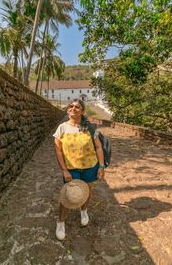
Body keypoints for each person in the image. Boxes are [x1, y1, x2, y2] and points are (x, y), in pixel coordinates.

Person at [53, 98, 105, 240]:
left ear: (82, 111)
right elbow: (58, 150)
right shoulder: (62, 128)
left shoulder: (89, 127)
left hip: (89, 166)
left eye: (77, 107)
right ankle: (61, 222)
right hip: (71, 168)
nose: (73, 108)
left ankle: (84, 210)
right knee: (68, 194)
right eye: (71, 106)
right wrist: (64, 170)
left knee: (86, 189)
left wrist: (101, 166)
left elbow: (99, 147)